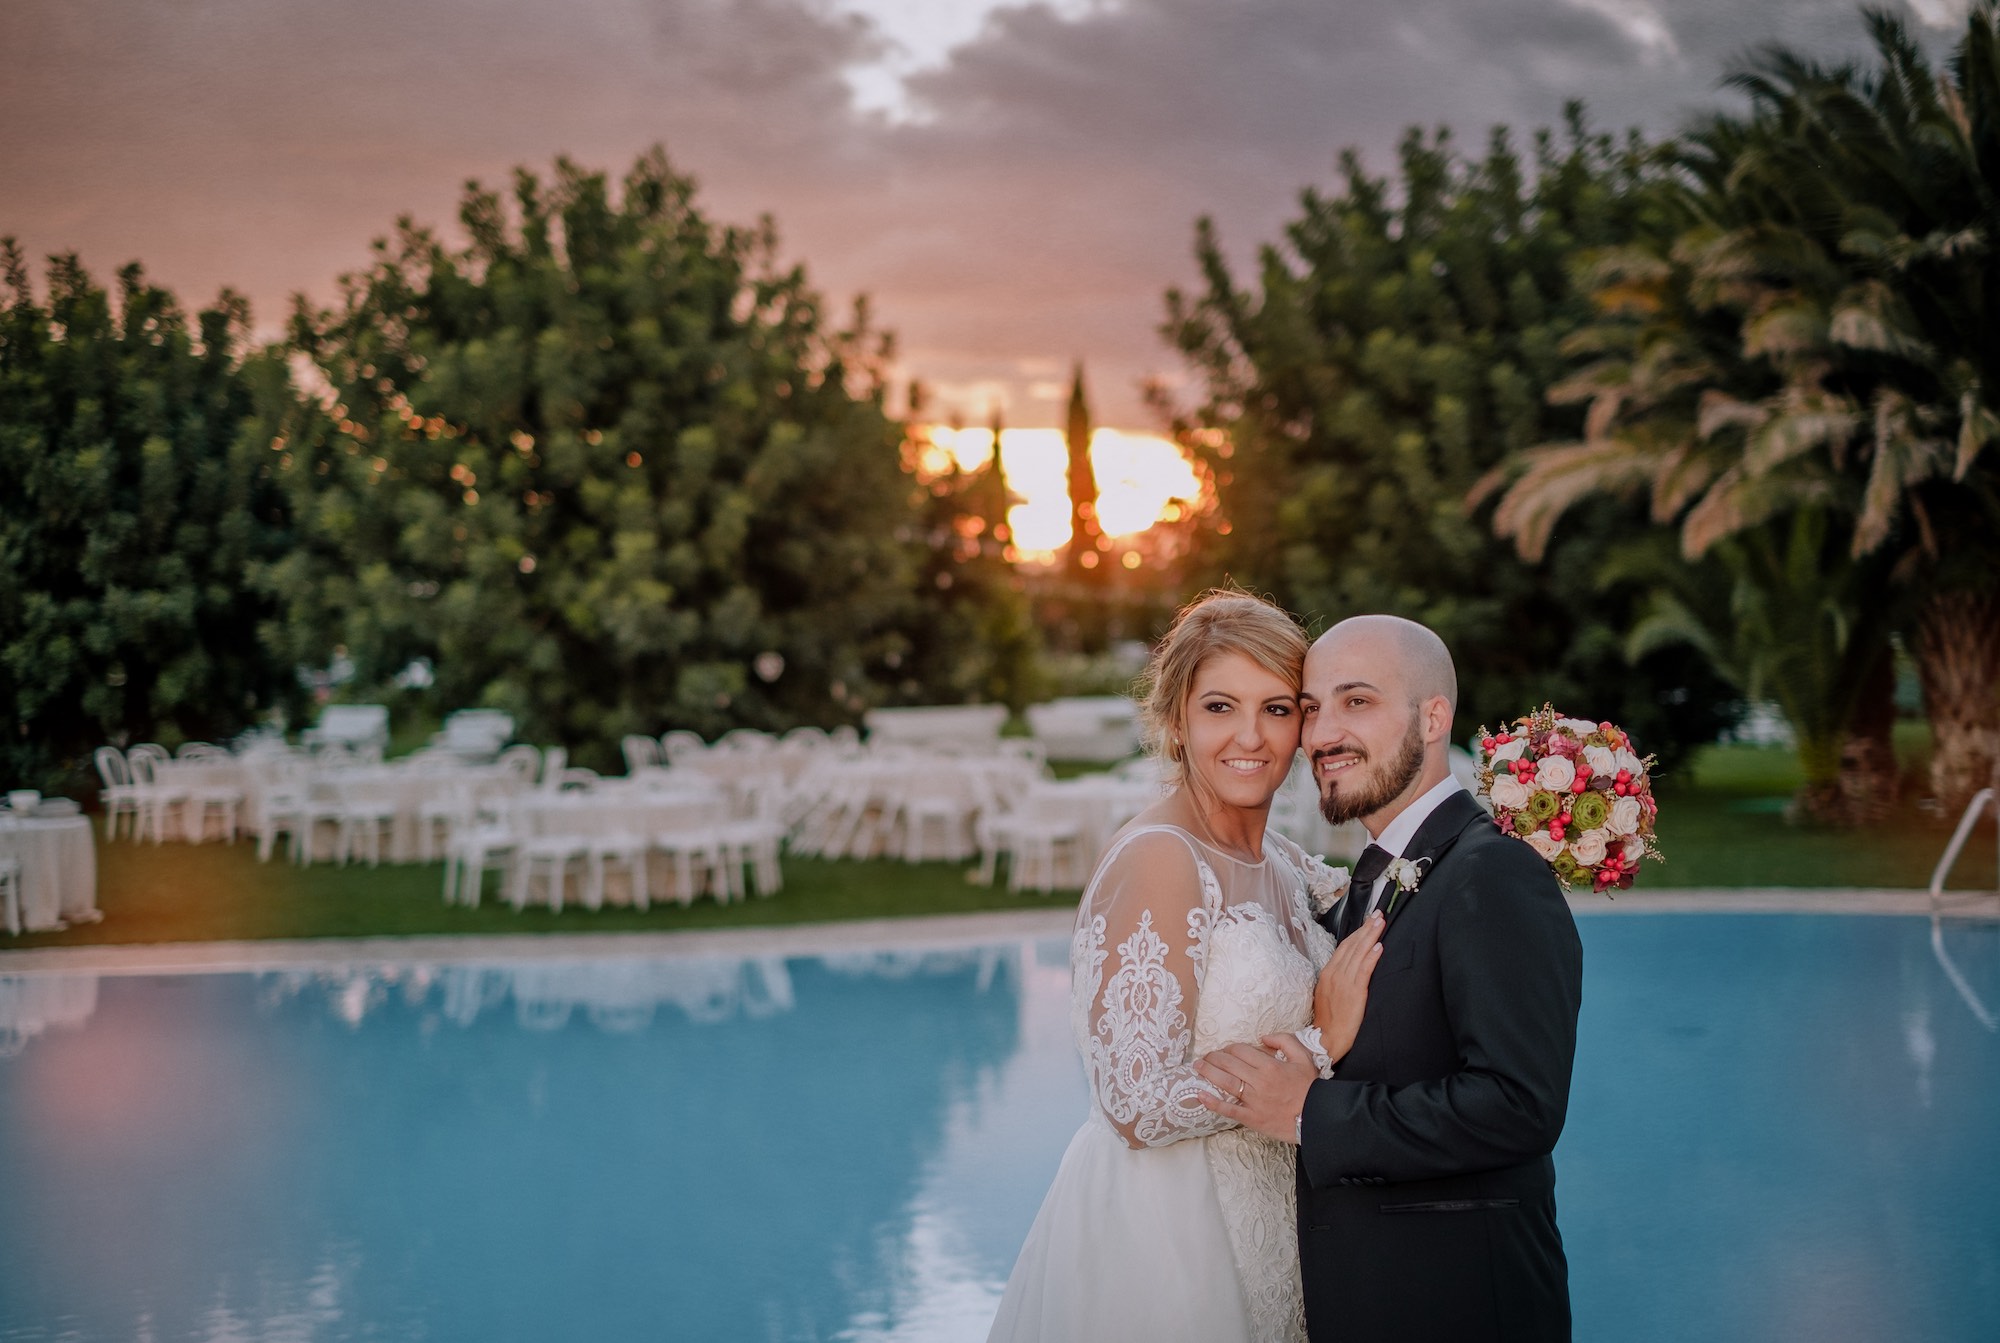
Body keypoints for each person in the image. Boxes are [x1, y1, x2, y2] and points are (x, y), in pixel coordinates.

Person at [987, 592, 1386, 1343]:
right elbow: (1135, 1104)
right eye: (1219, 707)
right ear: (1176, 721)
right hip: (1167, 1239)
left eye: (1276, 708)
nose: (1251, 736)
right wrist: (1316, 1041)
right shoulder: (1161, 859)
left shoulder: (1279, 859)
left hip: (1275, 1222)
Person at [1195, 614, 1584, 1342]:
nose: (1321, 734)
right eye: (1311, 708)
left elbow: (1519, 1104)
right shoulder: (1372, 881)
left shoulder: (1492, 871)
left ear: (1433, 717)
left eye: (1357, 702)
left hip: (1460, 1305)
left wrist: (1309, 1112)